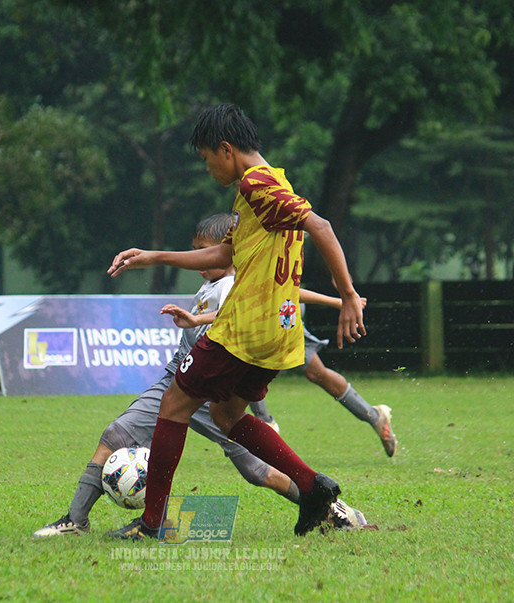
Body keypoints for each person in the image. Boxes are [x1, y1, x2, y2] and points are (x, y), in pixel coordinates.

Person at [107, 103, 366, 539]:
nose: (208, 169)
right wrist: (152, 256)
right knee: (227, 415)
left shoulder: (257, 185)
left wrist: (348, 295)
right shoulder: (268, 184)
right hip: (277, 334)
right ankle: (312, 486)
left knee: (173, 406)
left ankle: (151, 524)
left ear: (226, 150)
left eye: (208, 159)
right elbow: (224, 255)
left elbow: (320, 226)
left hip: (243, 329)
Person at [33, 214, 369, 537]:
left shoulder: (232, 284)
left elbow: (271, 299)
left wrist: (341, 300)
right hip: (177, 377)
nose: (199, 257)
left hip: (212, 390)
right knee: (116, 434)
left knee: (257, 471)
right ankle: (77, 520)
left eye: (204, 250)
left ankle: (333, 510)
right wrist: (336, 300)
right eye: (196, 249)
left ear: (227, 249)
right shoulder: (212, 284)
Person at [249, 288, 397, 457]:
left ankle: (266, 424)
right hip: (276, 308)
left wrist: (339, 301)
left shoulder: (249, 271)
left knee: (250, 359)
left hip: (279, 310)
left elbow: (287, 289)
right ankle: (375, 417)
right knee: (315, 372)